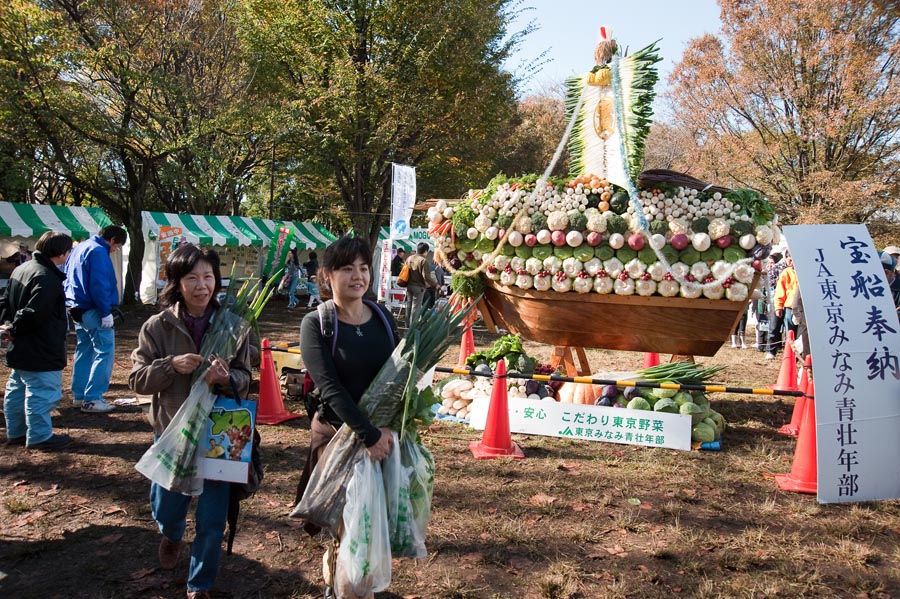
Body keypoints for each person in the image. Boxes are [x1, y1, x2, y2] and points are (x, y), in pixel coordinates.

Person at [129, 244, 252, 599]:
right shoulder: (157, 326)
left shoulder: (234, 325)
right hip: (172, 431)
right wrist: (170, 366)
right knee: (166, 507)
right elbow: (137, 380)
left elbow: (247, 376)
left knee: (212, 519)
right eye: (192, 277)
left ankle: (200, 584)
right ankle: (171, 533)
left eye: (209, 277)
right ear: (176, 282)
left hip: (219, 434)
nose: (202, 285)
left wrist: (227, 377)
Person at [296, 236, 399, 599]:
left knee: (367, 522)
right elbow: (331, 388)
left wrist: (388, 429)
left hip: (381, 439)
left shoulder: (384, 318)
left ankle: (343, 576)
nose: (358, 276)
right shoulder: (316, 323)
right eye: (346, 269)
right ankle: (347, 588)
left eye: (363, 268)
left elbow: (399, 375)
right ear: (327, 275)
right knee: (348, 525)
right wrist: (367, 434)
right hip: (338, 438)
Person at [1, 231, 73, 449]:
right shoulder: (46, 276)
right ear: (62, 253)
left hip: (22, 344)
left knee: (18, 389)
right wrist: (13, 328)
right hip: (40, 345)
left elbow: (6, 302)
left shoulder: (22, 269)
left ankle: (17, 431)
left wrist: (8, 327)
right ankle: (40, 436)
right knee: (42, 392)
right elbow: (34, 312)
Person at [65, 225, 127, 413]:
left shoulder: (80, 248)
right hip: (93, 309)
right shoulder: (99, 251)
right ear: (113, 239)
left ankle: (80, 394)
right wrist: (105, 311)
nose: (115, 249)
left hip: (76, 308)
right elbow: (99, 283)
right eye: (117, 246)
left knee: (84, 350)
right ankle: (92, 398)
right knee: (104, 351)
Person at [403, 242, 437, 327]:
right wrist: (435, 284)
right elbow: (426, 277)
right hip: (418, 287)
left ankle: (406, 327)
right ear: (425, 251)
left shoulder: (409, 258)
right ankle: (412, 329)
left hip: (409, 286)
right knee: (416, 308)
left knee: (409, 307)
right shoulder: (423, 261)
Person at [763, 252, 787, 359]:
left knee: (789, 327)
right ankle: (771, 350)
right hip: (777, 296)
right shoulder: (778, 267)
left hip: (791, 300)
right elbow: (771, 281)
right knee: (774, 325)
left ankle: (788, 351)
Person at [774, 253, 799, 350]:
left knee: (801, 334)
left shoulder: (805, 272)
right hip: (790, 307)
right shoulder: (786, 272)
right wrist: (778, 306)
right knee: (790, 332)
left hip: (803, 308)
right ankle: (790, 353)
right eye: (790, 260)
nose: (792, 263)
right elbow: (780, 291)